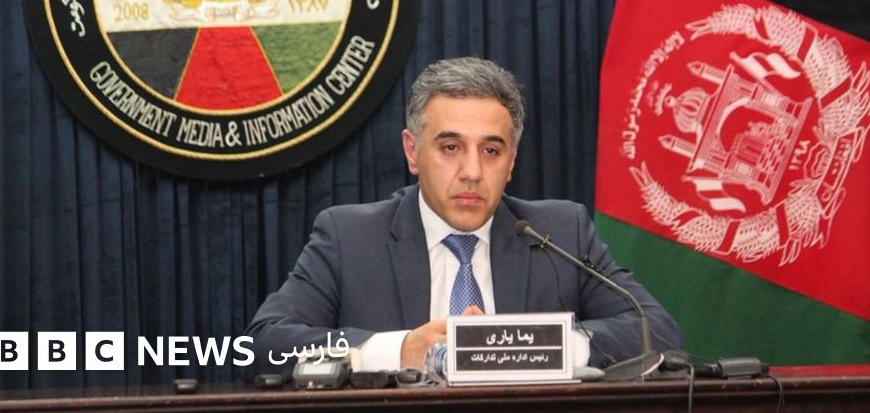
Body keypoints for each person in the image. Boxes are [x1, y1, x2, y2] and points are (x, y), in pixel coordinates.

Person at [246, 57, 681, 374]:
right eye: (450, 147)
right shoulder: (350, 237)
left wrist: (538, 346)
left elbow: (658, 332)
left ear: (512, 162)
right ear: (412, 151)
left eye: (491, 150)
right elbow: (265, 344)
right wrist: (399, 350)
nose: (472, 171)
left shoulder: (560, 231)